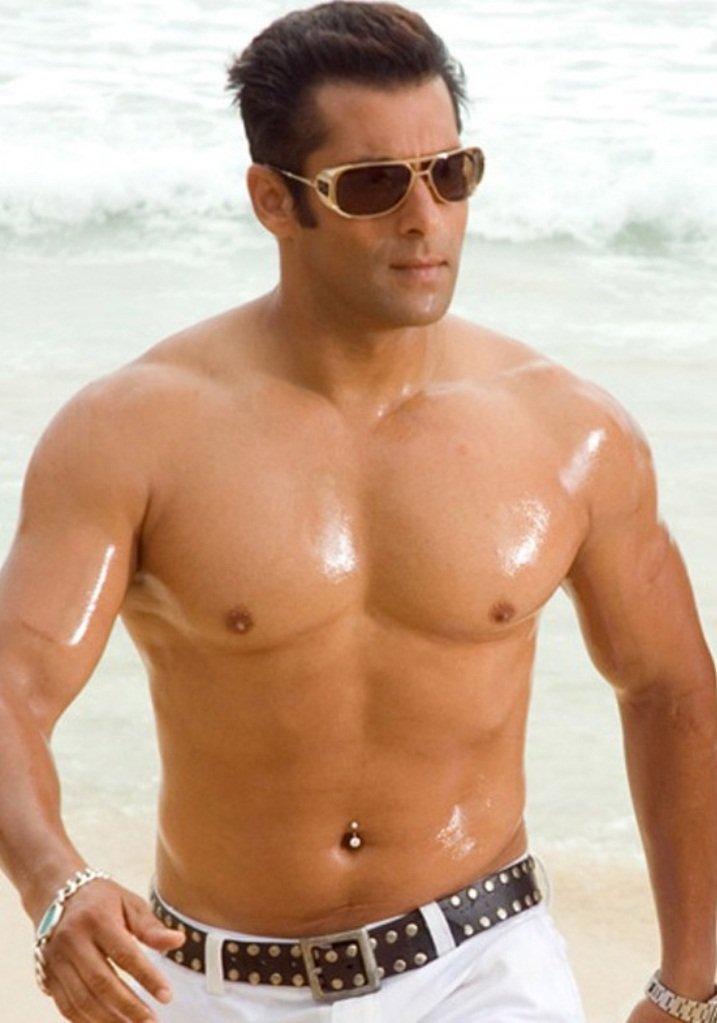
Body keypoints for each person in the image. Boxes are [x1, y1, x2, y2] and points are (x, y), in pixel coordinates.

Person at [0, 2, 715, 1020]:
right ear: (273, 200)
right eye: (374, 184)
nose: (426, 217)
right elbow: (13, 686)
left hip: (482, 969)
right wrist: (53, 882)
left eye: (450, 173)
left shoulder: (569, 435)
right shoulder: (131, 434)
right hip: (207, 979)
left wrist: (692, 981)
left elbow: (670, 687)